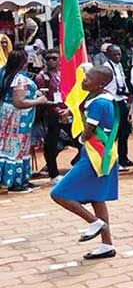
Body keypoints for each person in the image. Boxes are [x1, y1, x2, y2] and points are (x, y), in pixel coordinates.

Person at [50, 65, 119, 260]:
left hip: (93, 155)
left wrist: (79, 139)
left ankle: (95, 222)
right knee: (97, 198)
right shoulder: (105, 97)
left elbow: (88, 132)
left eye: (88, 78)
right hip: (103, 153)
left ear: (100, 83)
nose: (83, 80)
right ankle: (107, 245)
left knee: (58, 193)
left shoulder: (98, 103)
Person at [0, 50, 47, 193]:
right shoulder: (19, 78)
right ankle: (15, 182)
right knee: (17, 149)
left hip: (9, 116)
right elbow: (19, 102)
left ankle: (16, 180)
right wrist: (39, 100)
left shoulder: (5, 73)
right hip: (18, 119)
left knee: (8, 149)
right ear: (24, 62)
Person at [34, 51, 68, 184]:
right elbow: (43, 98)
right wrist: (58, 110)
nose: (51, 61)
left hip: (67, 110)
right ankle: (53, 173)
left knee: (78, 139)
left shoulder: (65, 74)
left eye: (54, 58)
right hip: (51, 114)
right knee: (51, 144)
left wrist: (68, 109)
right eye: (48, 58)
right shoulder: (42, 77)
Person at [100, 45, 133, 169]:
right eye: (114, 54)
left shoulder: (119, 66)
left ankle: (123, 158)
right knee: (113, 133)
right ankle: (112, 160)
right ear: (108, 55)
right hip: (112, 102)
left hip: (121, 100)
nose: (117, 57)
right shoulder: (105, 68)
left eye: (119, 54)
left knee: (124, 132)